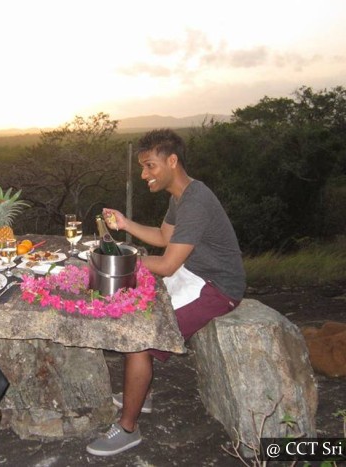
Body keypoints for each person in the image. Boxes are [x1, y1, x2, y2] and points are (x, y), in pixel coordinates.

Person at [86, 129, 246, 456]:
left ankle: (128, 428)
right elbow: (163, 237)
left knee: (139, 337)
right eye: (143, 167)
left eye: (150, 166)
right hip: (193, 273)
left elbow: (168, 264)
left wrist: (120, 260)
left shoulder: (196, 201)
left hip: (215, 287)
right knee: (136, 309)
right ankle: (140, 391)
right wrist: (126, 224)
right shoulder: (182, 195)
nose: (144, 174)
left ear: (172, 161)